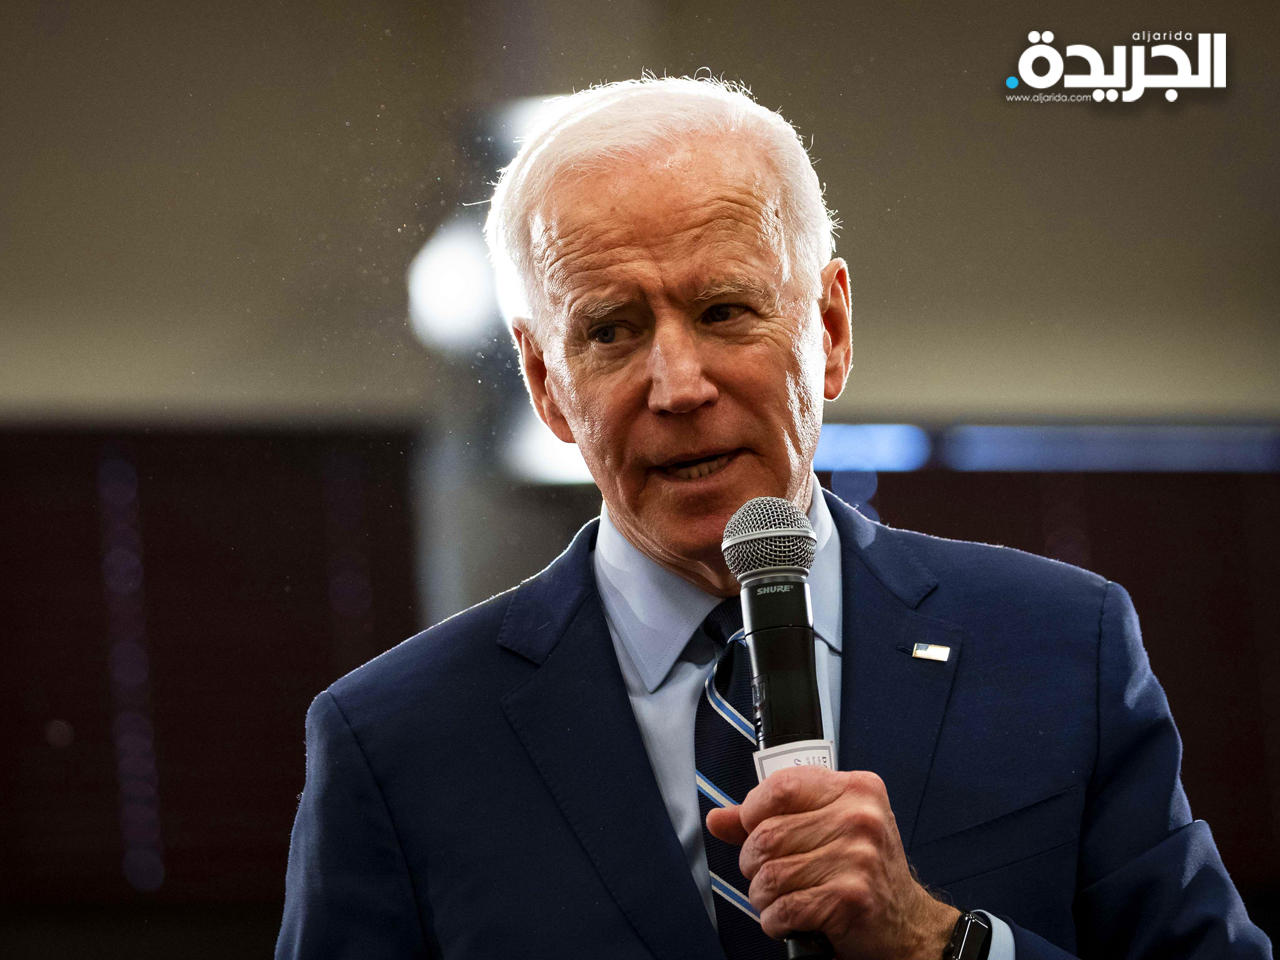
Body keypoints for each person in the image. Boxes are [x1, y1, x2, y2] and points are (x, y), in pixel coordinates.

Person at [276, 77, 1271, 959]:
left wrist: (936, 945)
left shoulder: (1058, 646)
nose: (678, 385)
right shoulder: (396, 740)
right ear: (545, 384)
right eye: (611, 331)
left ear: (828, 331)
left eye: (722, 311)